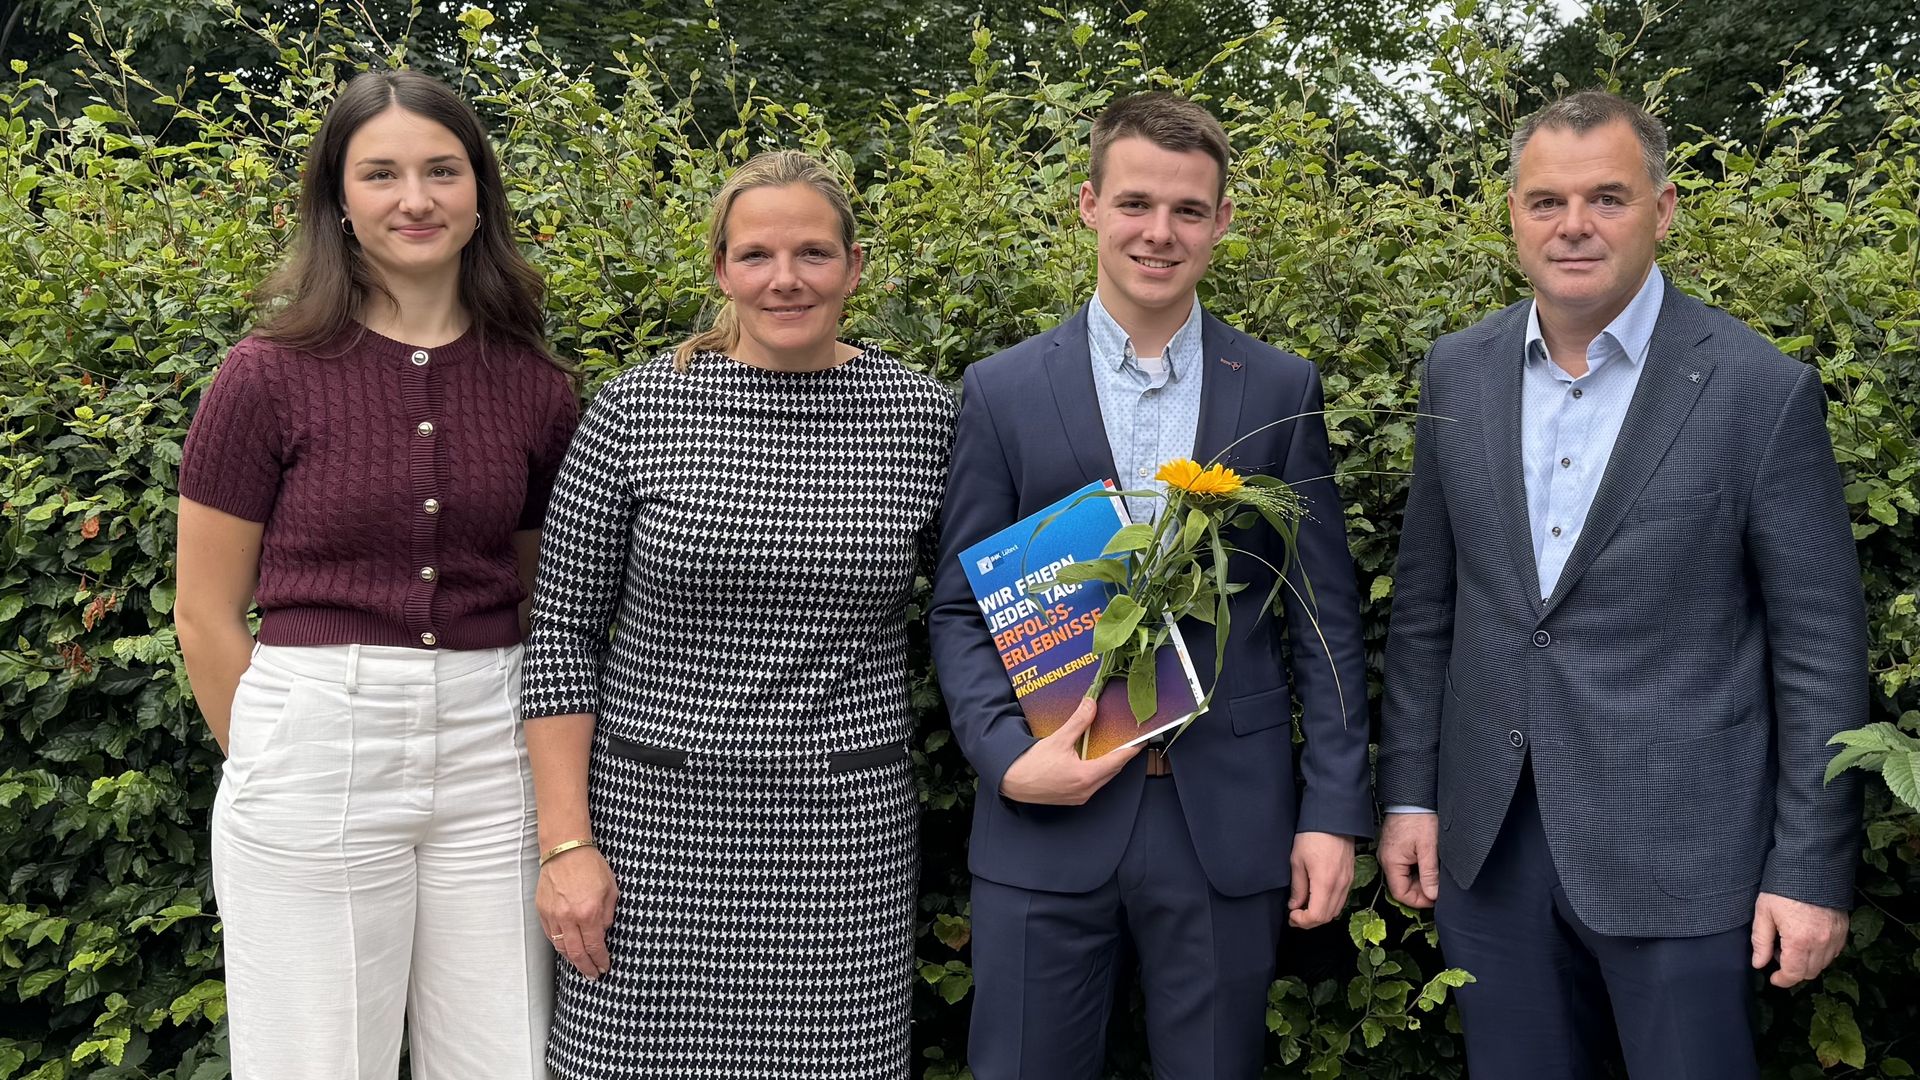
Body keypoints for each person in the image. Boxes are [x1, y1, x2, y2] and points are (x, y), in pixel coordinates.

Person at [1377, 89, 1867, 1079]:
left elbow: (1819, 647)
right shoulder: (1457, 374)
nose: (1574, 225)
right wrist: (1411, 796)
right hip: (1491, 850)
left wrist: (1810, 871)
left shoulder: (1758, 390)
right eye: (1546, 201)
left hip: (1681, 857)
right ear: (1512, 213)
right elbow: (1427, 612)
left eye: (1607, 197)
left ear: (1665, 207)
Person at [927, 92, 1375, 1078]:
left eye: (1186, 210)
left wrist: (1332, 812)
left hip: (1225, 823)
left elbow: (1323, 614)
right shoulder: (1001, 390)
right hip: (1047, 814)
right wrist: (1006, 758)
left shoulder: (1278, 386)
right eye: (1136, 203)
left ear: (1221, 222)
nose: (1158, 232)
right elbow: (961, 606)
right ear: (1089, 205)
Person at [174, 70, 579, 1079]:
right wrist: (268, 753)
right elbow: (205, 610)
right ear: (339, 199)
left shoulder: (533, 385)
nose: (416, 199)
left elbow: (537, 596)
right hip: (315, 737)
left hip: (493, 748)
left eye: (442, 171)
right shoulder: (265, 374)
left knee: (503, 1056)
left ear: (478, 191)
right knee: (314, 1058)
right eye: (383, 174)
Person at [520, 149, 956, 1079]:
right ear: (721, 269)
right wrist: (566, 846)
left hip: (841, 836)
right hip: (650, 837)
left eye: (813, 253)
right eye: (756, 255)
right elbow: (559, 634)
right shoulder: (638, 409)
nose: (785, 279)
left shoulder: (921, 415)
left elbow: (971, 607)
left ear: (855, 265)